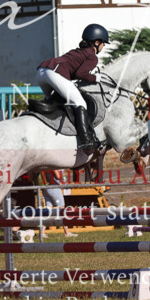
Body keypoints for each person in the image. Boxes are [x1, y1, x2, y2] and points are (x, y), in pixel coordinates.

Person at [36, 23, 109, 152]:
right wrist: (95, 78)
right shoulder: (92, 56)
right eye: (103, 43)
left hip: (41, 72)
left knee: (53, 102)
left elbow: (74, 73)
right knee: (80, 103)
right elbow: (80, 74)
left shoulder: (78, 51)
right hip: (54, 73)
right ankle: (86, 142)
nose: (103, 46)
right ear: (97, 42)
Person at [37, 169, 76, 237]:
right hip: (53, 188)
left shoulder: (44, 166)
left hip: (45, 189)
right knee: (62, 209)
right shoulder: (52, 166)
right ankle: (67, 232)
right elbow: (58, 176)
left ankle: (42, 232)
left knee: (48, 211)